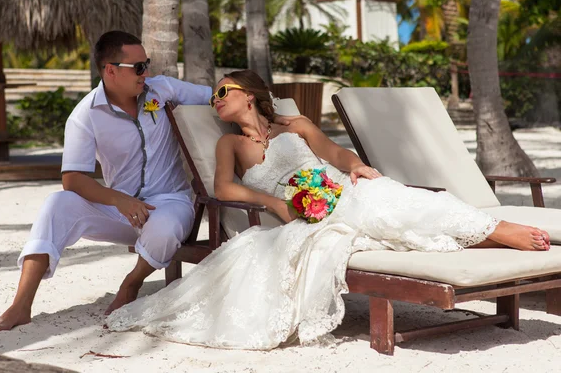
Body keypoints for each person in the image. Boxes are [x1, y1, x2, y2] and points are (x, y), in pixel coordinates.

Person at [105, 70, 550, 350]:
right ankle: (498, 231)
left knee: (396, 200)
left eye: (224, 90)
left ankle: (499, 227)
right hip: (300, 214)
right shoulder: (229, 144)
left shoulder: (294, 124)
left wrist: (358, 167)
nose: (216, 99)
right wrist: (273, 201)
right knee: (391, 218)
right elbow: (222, 187)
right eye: (214, 96)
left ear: (251, 94)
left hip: (341, 190)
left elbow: (333, 153)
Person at [0, 33, 301, 333]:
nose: (145, 73)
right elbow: (73, 179)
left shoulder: (163, 90)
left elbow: (219, 99)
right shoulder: (84, 116)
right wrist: (119, 201)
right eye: (138, 67)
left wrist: (269, 112)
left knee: (165, 227)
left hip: (170, 201)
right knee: (56, 204)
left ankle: (131, 283)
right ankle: (21, 305)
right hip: (119, 209)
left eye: (146, 65)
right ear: (110, 70)